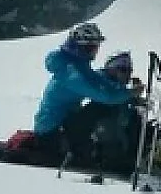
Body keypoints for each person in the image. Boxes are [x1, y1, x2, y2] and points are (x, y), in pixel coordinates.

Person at [32, 22, 138, 166]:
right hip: (52, 133)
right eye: (92, 47)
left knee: (101, 107)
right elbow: (103, 95)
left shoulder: (79, 65)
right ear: (80, 47)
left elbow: (101, 82)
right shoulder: (71, 72)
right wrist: (128, 93)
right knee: (100, 107)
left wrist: (124, 91)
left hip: (60, 125)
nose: (95, 51)